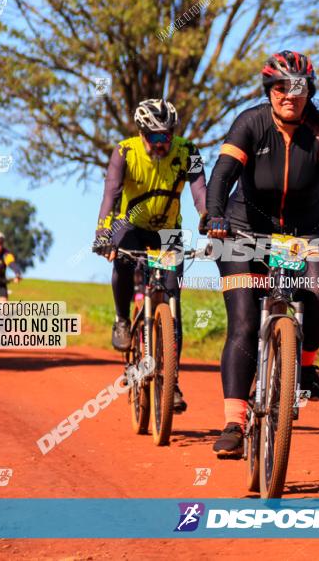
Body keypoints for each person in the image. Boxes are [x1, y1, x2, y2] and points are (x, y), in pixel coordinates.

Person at [204, 50, 319, 456]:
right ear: (270, 90)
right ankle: (234, 422)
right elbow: (222, 175)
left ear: (308, 91)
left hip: (307, 228)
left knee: (318, 290)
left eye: (298, 88)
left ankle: (306, 363)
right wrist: (214, 216)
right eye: (281, 87)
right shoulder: (250, 122)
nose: (289, 95)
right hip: (243, 226)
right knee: (244, 321)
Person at [93, 98, 208, 414]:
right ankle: (121, 318)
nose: (161, 143)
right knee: (123, 261)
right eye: (154, 137)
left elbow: (200, 191)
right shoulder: (124, 152)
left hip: (169, 233)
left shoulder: (188, 152)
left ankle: (171, 382)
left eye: (166, 136)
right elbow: (111, 195)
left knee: (173, 304)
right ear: (141, 133)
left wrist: (207, 214)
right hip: (130, 227)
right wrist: (102, 232)